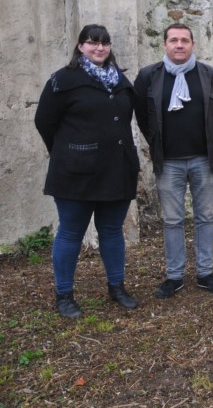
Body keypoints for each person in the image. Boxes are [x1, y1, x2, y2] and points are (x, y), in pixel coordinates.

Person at [34, 24, 141, 318]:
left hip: (117, 170)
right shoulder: (63, 80)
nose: (99, 48)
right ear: (80, 46)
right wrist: (68, 151)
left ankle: (117, 287)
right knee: (70, 233)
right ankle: (64, 295)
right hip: (75, 173)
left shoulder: (120, 80)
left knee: (112, 231)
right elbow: (44, 121)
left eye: (104, 43)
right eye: (93, 42)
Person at [134, 24, 213, 298]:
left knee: (205, 217)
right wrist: (157, 142)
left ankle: (205, 272)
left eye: (185, 40)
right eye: (173, 40)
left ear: (193, 44)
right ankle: (174, 276)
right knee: (173, 220)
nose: (179, 45)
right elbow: (143, 117)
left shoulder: (210, 75)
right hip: (169, 162)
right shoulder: (149, 76)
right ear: (164, 44)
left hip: (203, 159)